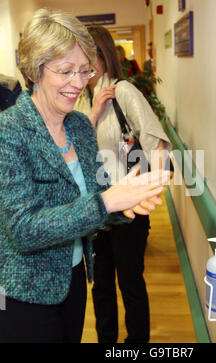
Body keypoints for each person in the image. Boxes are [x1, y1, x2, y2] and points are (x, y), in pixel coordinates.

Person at [0, 8, 170, 344]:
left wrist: (128, 202)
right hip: (26, 293)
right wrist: (109, 200)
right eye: (66, 71)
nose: (79, 83)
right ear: (35, 70)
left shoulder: (79, 126)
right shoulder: (9, 131)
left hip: (74, 278)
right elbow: (23, 228)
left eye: (84, 70)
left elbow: (97, 198)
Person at [75, 26, 171, 343]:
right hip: (96, 207)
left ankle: (136, 344)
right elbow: (71, 149)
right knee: (100, 284)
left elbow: (156, 144)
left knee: (129, 281)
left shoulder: (124, 91)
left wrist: (148, 193)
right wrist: (93, 112)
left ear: (103, 57)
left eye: (91, 56)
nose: (84, 63)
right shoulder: (77, 100)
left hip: (129, 207)